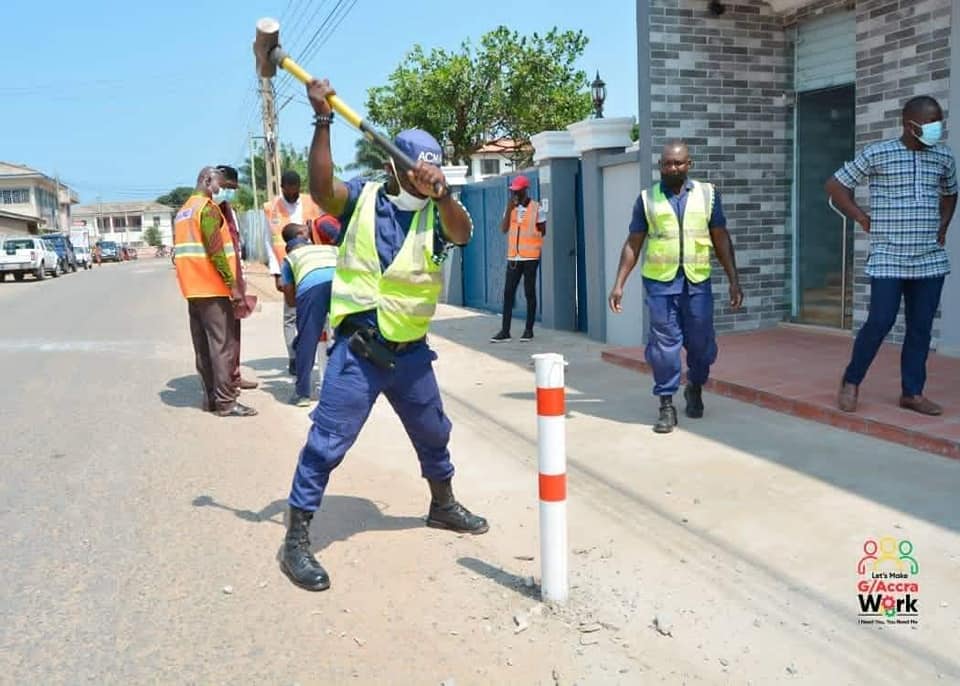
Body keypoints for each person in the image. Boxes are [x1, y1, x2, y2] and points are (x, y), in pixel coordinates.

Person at [279, 78, 488, 592]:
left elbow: (463, 232)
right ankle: (296, 539)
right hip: (359, 351)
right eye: (420, 168)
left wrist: (444, 193)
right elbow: (322, 188)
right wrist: (323, 117)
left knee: (434, 433)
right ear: (397, 166)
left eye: (434, 169)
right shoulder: (365, 200)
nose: (426, 176)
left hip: (412, 355)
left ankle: (442, 504)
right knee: (327, 443)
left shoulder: (440, 215)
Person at [828, 96, 958, 416]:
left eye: (938, 121)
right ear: (909, 124)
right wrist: (860, 217)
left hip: (929, 258)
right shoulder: (878, 153)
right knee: (880, 320)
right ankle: (851, 380)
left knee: (921, 327)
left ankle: (912, 393)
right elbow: (835, 185)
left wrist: (943, 226)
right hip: (888, 255)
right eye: (930, 123)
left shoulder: (943, 157)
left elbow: (951, 193)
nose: (935, 128)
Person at [608, 140, 743, 434]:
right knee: (663, 346)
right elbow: (634, 242)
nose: (673, 168)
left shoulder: (707, 195)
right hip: (661, 284)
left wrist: (734, 279)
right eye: (668, 163)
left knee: (702, 344)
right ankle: (666, 404)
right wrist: (619, 283)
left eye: (678, 163)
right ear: (660, 166)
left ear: (689, 164)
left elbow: (720, 237)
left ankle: (695, 385)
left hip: (697, 282)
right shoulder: (647, 199)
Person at [173, 167, 257, 418]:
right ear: (207, 180)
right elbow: (216, 252)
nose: (219, 190)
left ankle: (210, 398)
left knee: (203, 348)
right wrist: (233, 287)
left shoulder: (183, 211)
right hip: (213, 288)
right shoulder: (207, 209)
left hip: (192, 290)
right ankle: (226, 402)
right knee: (222, 347)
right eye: (218, 185)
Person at [264, 170, 324, 376]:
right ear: (282, 187)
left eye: (296, 188)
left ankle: (316, 355)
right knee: (290, 315)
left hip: (312, 267)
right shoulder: (272, 208)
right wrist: (276, 273)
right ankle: (294, 357)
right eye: (288, 189)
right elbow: (269, 242)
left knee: (316, 313)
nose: (293, 193)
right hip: (286, 267)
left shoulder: (311, 202)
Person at [280, 222, 338, 406]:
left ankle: (303, 393)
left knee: (307, 341)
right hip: (342, 282)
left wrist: (308, 325)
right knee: (348, 336)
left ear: (289, 248)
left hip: (311, 286)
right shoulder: (328, 249)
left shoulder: (290, 259)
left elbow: (290, 300)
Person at [215, 164, 259, 393]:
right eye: (227, 187)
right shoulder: (210, 210)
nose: (229, 191)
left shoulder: (228, 209)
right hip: (218, 282)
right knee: (221, 336)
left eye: (232, 188)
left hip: (234, 278)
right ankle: (223, 384)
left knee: (234, 330)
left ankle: (234, 374)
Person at [491, 175, 547, 342]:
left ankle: (528, 330)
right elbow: (503, 228)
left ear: (525, 190)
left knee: (530, 292)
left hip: (530, 257)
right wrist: (510, 208)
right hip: (514, 257)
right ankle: (505, 331)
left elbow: (543, 230)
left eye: (517, 190)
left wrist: (531, 230)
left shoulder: (537, 208)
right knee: (508, 293)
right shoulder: (511, 209)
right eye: (512, 191)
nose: (514, 193)